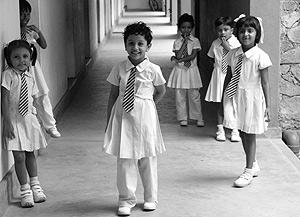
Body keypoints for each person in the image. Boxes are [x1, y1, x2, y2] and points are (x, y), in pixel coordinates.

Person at [103, 21, 166, 216]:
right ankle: (126, 199)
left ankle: (150, 197)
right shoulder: (119, 68)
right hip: (123, 117)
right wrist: (108, 120)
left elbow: (161, 91)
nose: (135, 48)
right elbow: (113, 95)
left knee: (147, 158)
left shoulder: (153, 69)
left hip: (145, 117)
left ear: (148, 46)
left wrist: (147, 104)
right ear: (125, 45)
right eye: (131, 43)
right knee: (125, 159)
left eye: (140, 44)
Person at [222, 15, 271, 187]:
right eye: (242, 31)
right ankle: (253, 163)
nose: (246, 34)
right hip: (236, 95)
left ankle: (248, 170)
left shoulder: (260, 56)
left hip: (253, 97)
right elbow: (229, 77)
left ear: (256, 34)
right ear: (237, 34)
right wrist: (224, 100)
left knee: (250, 133)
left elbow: (265, 82)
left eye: (250, 31)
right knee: (242, 130)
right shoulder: (233, 54)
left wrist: (268, 106)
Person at [2, 40, 48, 208]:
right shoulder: (8, 75)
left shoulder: (30, 76)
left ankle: (35, 185)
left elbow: (34, 100)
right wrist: (7, 122)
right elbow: (4, 99)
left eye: (25, 56)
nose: (21, 60)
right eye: (16, 57)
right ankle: (25, 190)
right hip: (14, 121)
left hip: (29, 120)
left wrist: (41, 121)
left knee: (30, 153)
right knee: (19, 156)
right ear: (9, 59)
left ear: (30, 58)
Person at [19, 0, 61, 138]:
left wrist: (38, 31)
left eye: (28, 14)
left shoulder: (30, 32)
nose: (25, 18)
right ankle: (34, 130)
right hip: (20, 70)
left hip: (33, 68)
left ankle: (50, 126)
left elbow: (44, 45)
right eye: (22, 14)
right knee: (27, 98)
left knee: (42, 95)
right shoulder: (14, 29)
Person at [205, 16, 241, 142]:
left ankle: (234, 129)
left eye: (226, 29)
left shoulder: (237, 43)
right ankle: (220, 129)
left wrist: (227, 47)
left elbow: (237, 57)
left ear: (232, 30)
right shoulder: (215, 43)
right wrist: (216, 66)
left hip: (232, 76)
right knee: (220, 103)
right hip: (219, 75)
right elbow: (210, 56)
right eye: (220, 30)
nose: (223, 33)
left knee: (233, 102)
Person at [167, 13, 204, 127]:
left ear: (192, 28)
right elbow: (178, 54)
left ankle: (198, 117)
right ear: (179, 28)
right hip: (180, 71)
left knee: (194, 95)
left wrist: (178, 60)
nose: (186, 30)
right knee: (180, 95)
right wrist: (184, 43)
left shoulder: (196, 41)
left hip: (192, 70)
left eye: (188, 27)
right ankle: (183, 118)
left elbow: (192, 56)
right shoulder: (177, 42)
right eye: (183, 27)